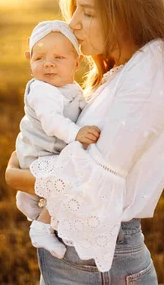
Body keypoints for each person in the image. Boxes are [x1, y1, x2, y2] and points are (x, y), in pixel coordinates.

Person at [5, 0, 164, 283]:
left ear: (126, 13)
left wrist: (16, 177)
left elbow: (92, 180)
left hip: (98, 265)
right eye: (75, 9)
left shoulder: (155, 67)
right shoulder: (124, 70)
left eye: (88, 12)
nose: (73, 23)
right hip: (78, 257)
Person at [15, 20, 102, 260]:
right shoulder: (43, 90)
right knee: (70, 178)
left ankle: (29, 200)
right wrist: (76, 134)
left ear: (77, 62)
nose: (49, 64)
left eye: (59, 58)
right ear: (28, 59)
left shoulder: (68, 88)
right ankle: (41, 228)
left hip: (45, 153)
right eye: (39, 58)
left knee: (65, 180)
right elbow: (52, 121)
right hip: (41, 155)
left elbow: (79, 108)